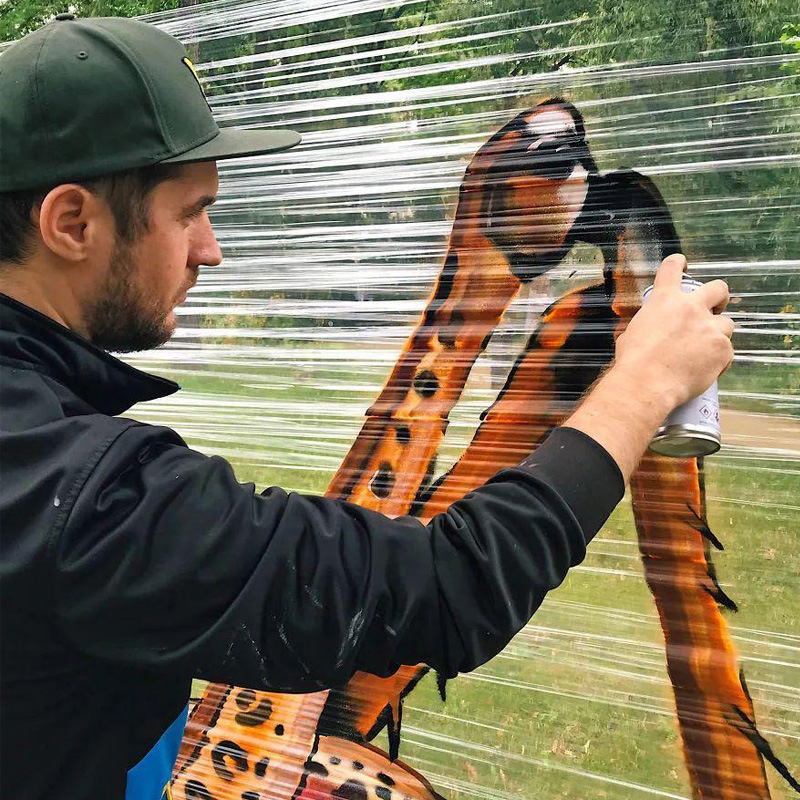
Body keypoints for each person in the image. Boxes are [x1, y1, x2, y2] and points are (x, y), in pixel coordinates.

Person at [0, 15, 735, 800]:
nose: (210, 249)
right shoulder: (87, 500)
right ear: (71, 223)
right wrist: (644, 384)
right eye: (189, 213)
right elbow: (448, 586)